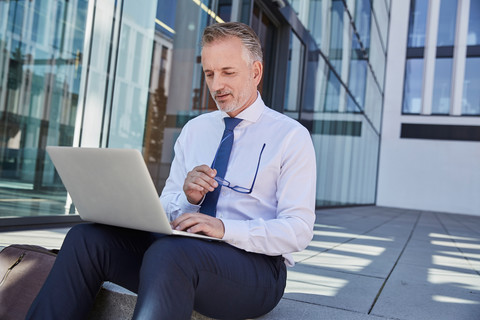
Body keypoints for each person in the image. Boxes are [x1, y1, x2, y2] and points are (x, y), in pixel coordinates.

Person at [27, 22, 316, 320]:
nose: (217, 85)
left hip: (255, 270)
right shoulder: (195, 130)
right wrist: (189, 199)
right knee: (85, 239)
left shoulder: (290, 137)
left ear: (256, 72)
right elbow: (167, 206)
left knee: (168, 254)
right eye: (209, 74)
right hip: (181, 254)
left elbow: (298, 229)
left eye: (228, 72)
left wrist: (225, 229)